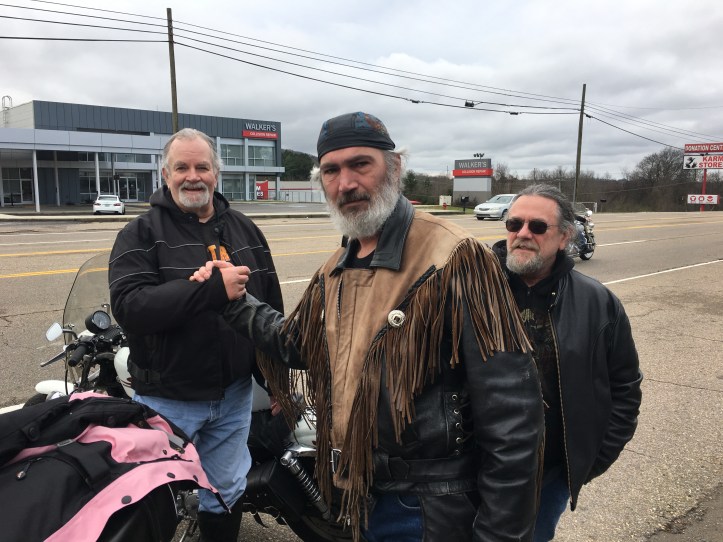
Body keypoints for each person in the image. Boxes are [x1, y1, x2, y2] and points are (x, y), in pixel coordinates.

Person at [193, 112, 544, 541]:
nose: (346, 183)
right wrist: (235, 303)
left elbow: (512, 414)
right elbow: (299, 345)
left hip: (429, 507)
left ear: (394, 167)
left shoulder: (455, 257)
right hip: (359, 495)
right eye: (331, 171)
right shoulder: (336, 268)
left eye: (360, 164)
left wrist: (501, 533)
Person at [109, 128, 283, 542]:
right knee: (155, 495)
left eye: (202, 167)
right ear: (165, 175)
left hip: (235, 397)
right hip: (168, 398)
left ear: (215, 174)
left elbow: (271, 307)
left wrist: (275, 381)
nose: (193, 177)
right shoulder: (140, 233)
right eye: (182, 167)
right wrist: (208, 291)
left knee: (226, 490)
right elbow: (130, 307)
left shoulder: (245, 229)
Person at [491, 184, 642, 542]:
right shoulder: (472, 289)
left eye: (537, 226)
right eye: (514, 224)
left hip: (548, 477)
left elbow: (624, 386)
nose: (523, 234)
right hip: (472, 470)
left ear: (564, 238)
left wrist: (591, 459)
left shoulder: (598, 303)